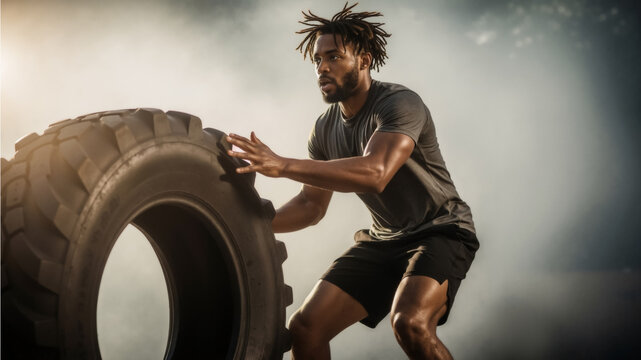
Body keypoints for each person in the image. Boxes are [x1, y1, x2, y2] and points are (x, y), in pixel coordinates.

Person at [226, 3, 479, 359]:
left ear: (364, 59)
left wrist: (283, 165)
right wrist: (247, 225)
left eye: (334, 57)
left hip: (440, 231)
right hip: (383, 240)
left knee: (410, 323)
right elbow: (311, 206)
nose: (322, 67)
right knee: (305, 329)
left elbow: (375, 173)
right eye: (317, 60)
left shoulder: (399, 103)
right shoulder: (324, 128)